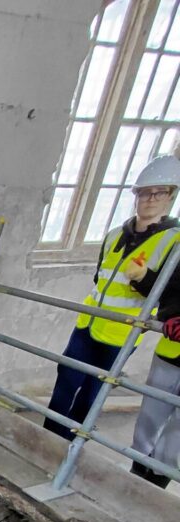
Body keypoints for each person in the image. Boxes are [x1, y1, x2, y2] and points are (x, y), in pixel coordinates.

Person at [43, 155, 180, 441]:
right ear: (136, 196)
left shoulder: (173, 242)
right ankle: (46, 436)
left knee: (94, 389)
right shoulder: (115, 234)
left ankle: (70, 441)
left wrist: (144, 279)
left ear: (170, 197)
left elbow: (171, 294)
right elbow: (100, 279)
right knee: (66, 378)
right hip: (88, 324)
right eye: (144, 193)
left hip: (121, 333)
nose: (150, 199)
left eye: (159, 193)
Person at [130, 313, 180, 487]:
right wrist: (172, 313)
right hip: (171, 351)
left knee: (176, 436)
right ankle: (137, 469)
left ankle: (155, 482)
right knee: (148, 418)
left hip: (171, 351)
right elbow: (171, 287)